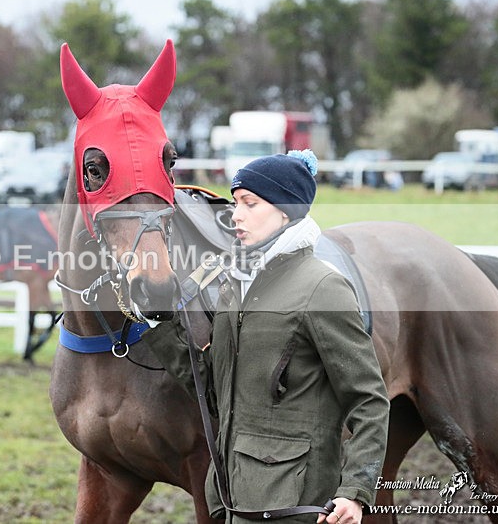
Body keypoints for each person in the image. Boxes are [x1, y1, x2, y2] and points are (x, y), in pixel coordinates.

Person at [143, 149, 390, 523]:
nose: (235, 214)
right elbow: (211, 386)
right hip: (232, 498)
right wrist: (157, 321)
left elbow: (369, 400)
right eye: (235, 203)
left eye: (250, 203)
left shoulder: (323, 287)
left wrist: (354, 492)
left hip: (297, 503)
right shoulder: (234, 285)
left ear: (285, 210)